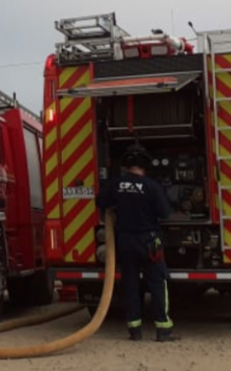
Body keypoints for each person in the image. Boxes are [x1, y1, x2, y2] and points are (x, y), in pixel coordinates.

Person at [96, 143, 178, 342]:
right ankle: (163, 329)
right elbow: (164, 213)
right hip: (149, 242)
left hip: (125, 241)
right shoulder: (152, 186)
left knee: (130, 285)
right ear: (145, 166)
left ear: (125, 165)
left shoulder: (116, 185)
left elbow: (100, 202)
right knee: (157, 283)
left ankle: (135, 331)